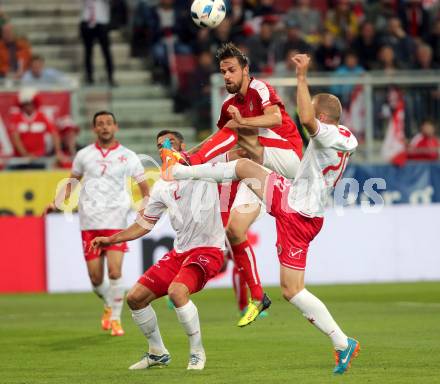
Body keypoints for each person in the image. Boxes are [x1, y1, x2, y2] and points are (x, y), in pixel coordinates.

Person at [165, 53, 360, 375]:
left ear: (323, 115)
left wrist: (301, 77)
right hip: (304, 211)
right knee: (291, 290)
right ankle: (343, 343)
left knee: (243, 165)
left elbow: (308, 120)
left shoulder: (324, 132)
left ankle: (183, 170)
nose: (304, 112)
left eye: (311, 107)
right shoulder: (346, 138)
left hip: (296, 210)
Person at [182, 42, 303, 327]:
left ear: (246, 70)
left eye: (232, 70)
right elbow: (222, 136)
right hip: (259, 168)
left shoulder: (260, 88)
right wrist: (190, 157)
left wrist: (241, 122)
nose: (226, 76)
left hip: (287, 155)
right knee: (234, 230)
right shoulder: (228, 106)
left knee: (242, 136)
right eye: (223, 71)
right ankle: (258, 296)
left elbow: (274, 118)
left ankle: (193, 160)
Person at [91, 130, 226, 370]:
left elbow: (222, 147)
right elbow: (143, 224)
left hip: (208, 249)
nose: (164, 147)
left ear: (183, 146)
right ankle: (157, 352)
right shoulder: (162, 186)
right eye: (160, 145)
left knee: (177, 292)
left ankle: (197, 352)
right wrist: (111, 239)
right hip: (180, 252)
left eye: (170, 142)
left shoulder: (204, 168)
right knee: (135, 298)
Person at [45, 111, 149, 336]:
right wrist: (56, 203)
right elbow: (72, 182)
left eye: (108, 123)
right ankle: (110, 304)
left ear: (116, 127)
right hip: (90, 220)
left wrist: (146, 207)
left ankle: (115, 319)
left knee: (114, 272)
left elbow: (144, 187)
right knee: (95, 279)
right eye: (100, 124)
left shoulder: (128, 156)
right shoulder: (84, 155)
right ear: (94, 129)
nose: (104, 127)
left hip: (117, 219)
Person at [8, 88, 65, 169]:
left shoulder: (42, 117)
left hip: (40, 158)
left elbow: (54, 134)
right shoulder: (16, 118)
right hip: (21, 159)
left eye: (30, 103)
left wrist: (58, 151)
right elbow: (15, 138)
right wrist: (26, 154)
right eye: (25, 104)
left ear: (34, 103)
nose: (27, 106)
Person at [80, 0, 115, 85]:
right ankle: (89, 77)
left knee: (106, 51)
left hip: (101, 21)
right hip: (86, 20)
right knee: (88, 52)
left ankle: (110, 76)